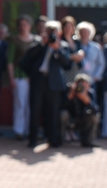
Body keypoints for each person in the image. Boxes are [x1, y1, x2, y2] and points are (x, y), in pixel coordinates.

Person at [22, 20, 72, 148]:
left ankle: (52, 139)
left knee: (53, 112)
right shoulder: (39, 43)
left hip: (54, 83)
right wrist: (42, 44)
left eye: (54, 32)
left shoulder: (63, 46)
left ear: (59, 33)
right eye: (49, 31)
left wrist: (57, 49)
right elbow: (28, 57)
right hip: (38, 81)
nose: (52, 34)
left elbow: (67, 64)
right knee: (35, 110)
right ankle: (33, 139)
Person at [6, 14, 35, 140]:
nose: (24, 27)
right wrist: (11, 78)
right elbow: (10, 61)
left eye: (26, 24)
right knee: (20, 104)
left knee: (30, 105)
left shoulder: (36, 40)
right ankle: (19, 130)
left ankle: (29, 130)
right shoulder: (15, 41)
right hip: (19, 76)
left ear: (30, 26)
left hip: (32, 77)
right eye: (21, 24)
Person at [60, 73, 100, 148]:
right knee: (63, 113)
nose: (81, 88)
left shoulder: (90, 93)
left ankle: (88, 141)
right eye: (80, 85)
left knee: (94, 116)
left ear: (88, 86)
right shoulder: (69, 90)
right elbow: (61, 107)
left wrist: (86, 100)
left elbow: (96, 111)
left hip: (83, 119)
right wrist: (70, 96)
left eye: (84, 85)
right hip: (71, 119)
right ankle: (59, 140)